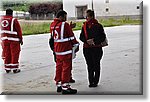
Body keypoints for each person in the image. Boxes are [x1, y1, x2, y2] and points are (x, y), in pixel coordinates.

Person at [50, 10, 79, 94]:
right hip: (65, 50)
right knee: (66, 68)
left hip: (57, 51)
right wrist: (76, 44)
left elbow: (59, 34)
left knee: (59, 67)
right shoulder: (64, 25)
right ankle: (65, 87)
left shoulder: (52, 25)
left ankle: (59, 84)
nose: (66, 19)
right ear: (61, 17)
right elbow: (71, 36)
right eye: (65, 17)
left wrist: (69, 27)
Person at [79, 10, 106, 87]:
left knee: (96, 65)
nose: (86, 18)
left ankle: (96, 81)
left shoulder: (98, 26)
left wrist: (94, 41)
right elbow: (81, 36)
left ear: (91, 16)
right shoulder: (84, 26)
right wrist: (87, 41)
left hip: (96, 48)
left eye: (87, 16)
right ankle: (91, 81)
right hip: (87, 48)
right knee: (89, 65)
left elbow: (102, 37)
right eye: (86, 16)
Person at [0, 9, 23, 73]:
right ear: (12, 13)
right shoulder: (14, 20)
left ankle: (7, 68)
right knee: (15, 54)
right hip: (14, 40)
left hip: (4, 40)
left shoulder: (1, 20)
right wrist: (21, 39)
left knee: (7, 53)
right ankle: (15, 68)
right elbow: (19, 30)